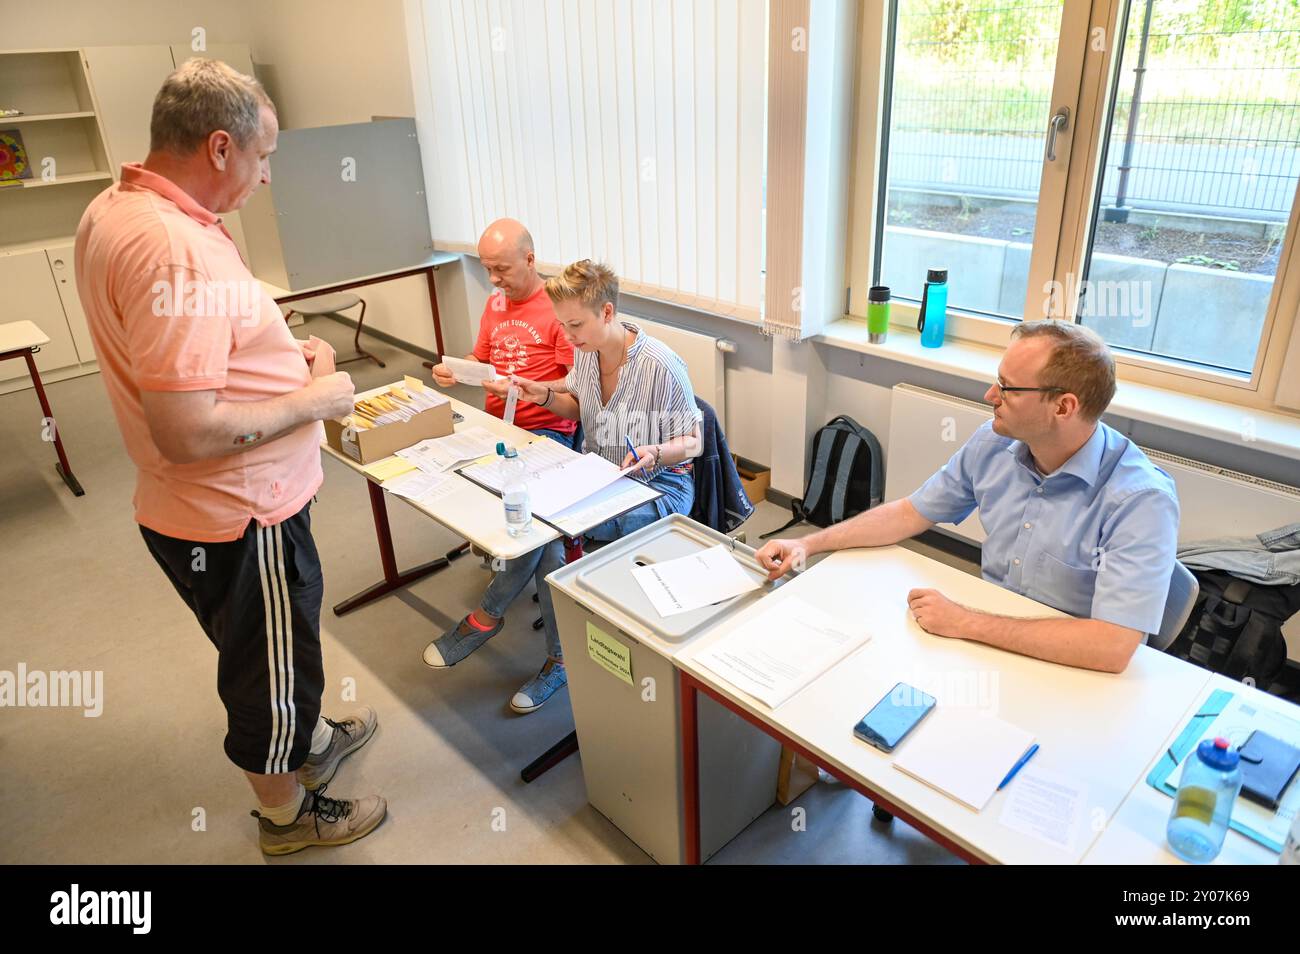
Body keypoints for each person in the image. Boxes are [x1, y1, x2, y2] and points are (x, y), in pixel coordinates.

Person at [75, 58, 384, 855]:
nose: (269, 177)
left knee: (273, 657)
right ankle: (287, 819)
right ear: (219, 147)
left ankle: (309, 739)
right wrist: (317, 397)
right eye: (264, 157)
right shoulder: (177, 250)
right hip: (243, 517)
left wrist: (277, 353)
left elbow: (187, 360)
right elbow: (188, 428)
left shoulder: (116, 208)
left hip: (196, 508)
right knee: (266, 679)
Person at [757, 320, 1179, 674]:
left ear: (1064, 407)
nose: (990, 397)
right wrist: (806, 543)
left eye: (1008, 389)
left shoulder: (1141, 500)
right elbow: (909, 513)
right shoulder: (994, 443)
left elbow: (1113, 645)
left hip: (1067, 666)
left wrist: (966, 622)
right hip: (988, 641)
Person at [428, 260, 702, 711]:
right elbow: (577, 407)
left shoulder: (661, 365)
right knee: (539, 520)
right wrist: (545, 395)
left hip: (658, 487)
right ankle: (503, 625)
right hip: (601, 476)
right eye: (563, 325)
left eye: (576, 324)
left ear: (607, 312)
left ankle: (544, 651)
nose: (569, 336)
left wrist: (654, 452)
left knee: (554, 537)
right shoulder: (587, 351)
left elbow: (694, 441)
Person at [423, 219, 576, 666]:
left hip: (546, 432)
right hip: (498, 428)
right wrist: (458, 369)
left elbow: (573, 386)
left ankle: (487, 617)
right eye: (487, 269)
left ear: (530, 259)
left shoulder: (557, 308)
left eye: (501, 269)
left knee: (537, 534)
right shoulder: (496, 302)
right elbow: (483, 358)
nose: (493, 280)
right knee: (449, 480)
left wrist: (525, 385)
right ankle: (559, 658)